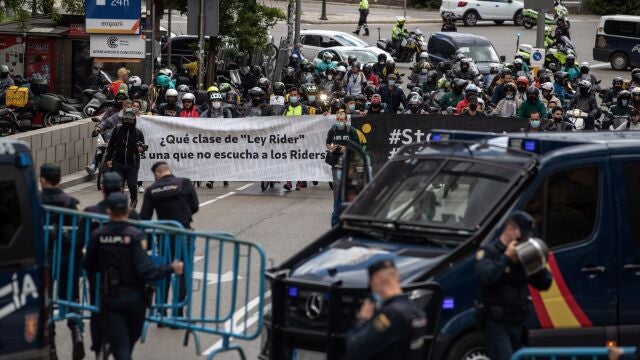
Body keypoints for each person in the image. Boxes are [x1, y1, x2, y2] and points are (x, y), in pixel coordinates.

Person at [84, 192, 184, 360]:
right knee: (127, 345)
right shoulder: (136, 236)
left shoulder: (97, 235)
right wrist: (171, 268)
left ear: (109, 211)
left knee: (122, 345)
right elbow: (147, 271)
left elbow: (88, 265)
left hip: (111, 296)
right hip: (135, 298)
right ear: (127, 211)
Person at [475, 211, 552, 360]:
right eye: (522, 235)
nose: (524, 239)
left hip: (519, 323)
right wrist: (506, 259)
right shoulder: (489, 253)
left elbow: (544, 284)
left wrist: (537, 264)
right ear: (510, 229)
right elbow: (487, 277)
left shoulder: (522, 255)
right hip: (497, 324)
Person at [83, 172, 140, 358]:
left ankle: (98, 346)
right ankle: (120, 346)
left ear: (103, 191)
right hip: (126, 276)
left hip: (98, 272)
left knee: (96, 309)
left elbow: (80, 242)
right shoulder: (133, 215)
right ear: (122, 189)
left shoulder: (90, 212)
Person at [140, 162, 199, 317]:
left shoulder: (152, 190)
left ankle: (161, 310)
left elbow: (144, 217)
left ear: (156, 174)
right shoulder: (184, 183)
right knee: (182, 271)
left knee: (165, 270)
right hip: (184, 233)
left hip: (164, 236)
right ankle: (178, 311)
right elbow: (195, 206)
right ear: (168, 170)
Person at [40, 163, 85, 360]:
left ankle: (51, 347)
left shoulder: (35, 202)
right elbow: (79, 234)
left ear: (42, 180)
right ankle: (76, 333)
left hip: (45, 260)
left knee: (45, 301)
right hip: (68, 257)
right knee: (70, 296)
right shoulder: (69, 202)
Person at [346, 259, 428, 360]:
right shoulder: (415, 310)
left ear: (376, 280)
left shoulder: (391, 315)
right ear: (397, 277)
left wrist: (362, 319)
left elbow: (355, 349)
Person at [326, 110, 362, 225]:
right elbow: (328, 143)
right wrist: (332, 147)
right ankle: (336, 209)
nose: (340, 122)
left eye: (342, 120)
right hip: (336, 162)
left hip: (349, 162)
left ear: (346, 120)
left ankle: (350, 208)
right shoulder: (332, 130)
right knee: (336, 187)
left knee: (350, 186)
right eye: (338, 120)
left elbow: (358, 146)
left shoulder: (351, 131)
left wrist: (346, 148)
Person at [105, 109, 146, 208]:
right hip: (118, 163)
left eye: (130, 120)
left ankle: (133, 199)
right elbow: (111, 145)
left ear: (134, 121)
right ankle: (120, 203)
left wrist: (141, 149)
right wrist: (108, 158)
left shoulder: (138, 133)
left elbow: (142, 148)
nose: (128, 122)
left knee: (132, 185)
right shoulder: (117, 130)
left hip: (133, 164)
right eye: (126, 120)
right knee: (119, 185)